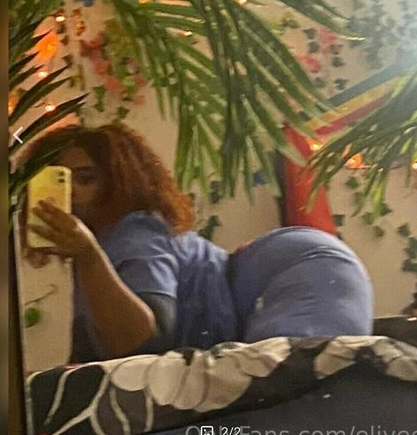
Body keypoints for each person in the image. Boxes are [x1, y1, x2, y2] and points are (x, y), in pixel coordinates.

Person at [21, 123, 373, 363]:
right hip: (275, 278)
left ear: (119, 181)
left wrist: (88, 256)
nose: (72, 192)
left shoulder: (134, 230)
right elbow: (87, 366)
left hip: (302, 268)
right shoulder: (96, 255)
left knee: (284, 381)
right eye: (57, 181)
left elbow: (146, 344)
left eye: (86, 179)